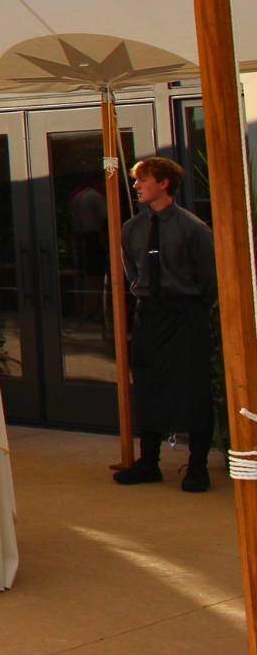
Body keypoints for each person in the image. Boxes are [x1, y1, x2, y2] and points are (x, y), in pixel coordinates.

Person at [114, 157, 218, 492]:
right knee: (147, 384)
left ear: (164, 183)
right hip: (150, 313)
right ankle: (149, 462)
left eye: (143, 180)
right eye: (136, 180)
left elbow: (209, 278)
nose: (136, 186)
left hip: (186, 313)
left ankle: (198, 467)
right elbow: (133, 272)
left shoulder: (193, 228)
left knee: (193, 387)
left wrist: (190, 306)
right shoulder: (131, 229)